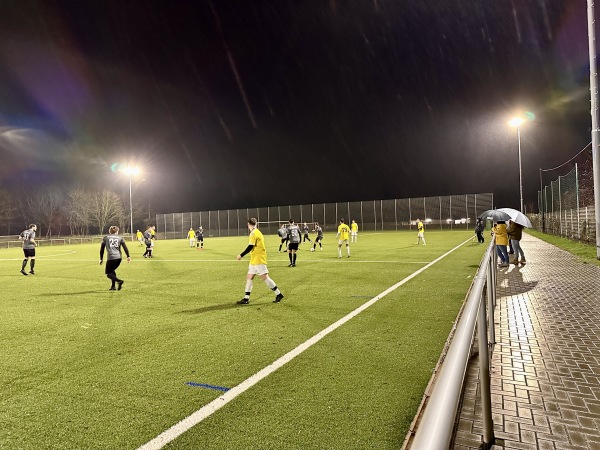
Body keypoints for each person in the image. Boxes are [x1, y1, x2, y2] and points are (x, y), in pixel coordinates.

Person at [236, 218, 284, 305]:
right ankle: (246, 298)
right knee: (249, 277)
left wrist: (241, 255)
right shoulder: (257, 231)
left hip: (258, 259)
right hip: (254, 259)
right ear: (256, 224)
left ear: (248, 224)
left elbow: (250, 246)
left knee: (265, 277)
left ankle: (278, 294)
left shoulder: (253, 233)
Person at [99, 225, 131, 290]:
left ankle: (119, 281)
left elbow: (102, 249)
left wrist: (101, 258)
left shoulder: (106, 238)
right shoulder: (120, 238)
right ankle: (113, 286)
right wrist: (128, 256)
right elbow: (125, 247)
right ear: (117, 231)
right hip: (119, 258)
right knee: (112, 271)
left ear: (109, 231)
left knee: (108, 274)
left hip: (111, 258)